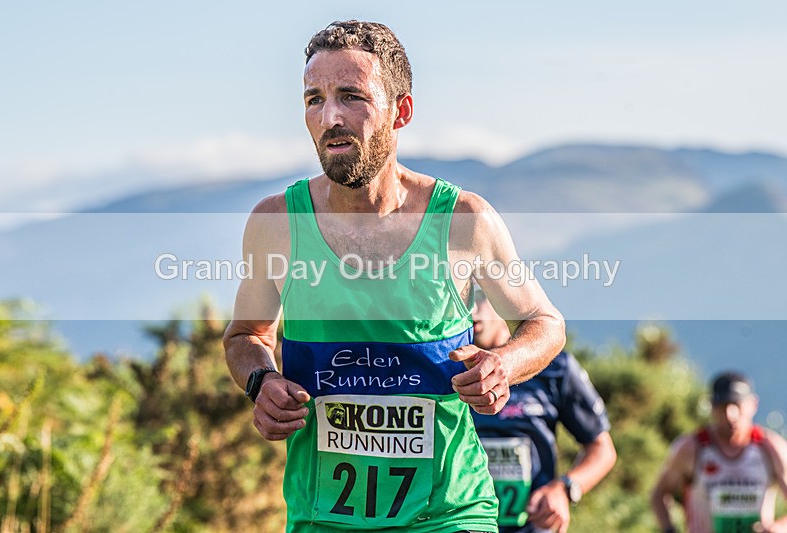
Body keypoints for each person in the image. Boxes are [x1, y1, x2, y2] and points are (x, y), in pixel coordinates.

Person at [223, 20, 565, 533]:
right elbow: (246, 336)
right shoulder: (278, 224)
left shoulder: (462, 220)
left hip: (449, 513)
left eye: (351, 96)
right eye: (313, 99)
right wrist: (261, 380)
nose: (330, 116)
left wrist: (504, 365)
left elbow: (544, 322)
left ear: (400, 111)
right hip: (323, 518)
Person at [469, 287, 616, 533]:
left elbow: (602, 450)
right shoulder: (439, 368)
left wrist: (565, 488)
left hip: (533, 527)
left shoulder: (554, 367)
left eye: (480, 297)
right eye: (462, 298)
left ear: (503, 300)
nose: (471, 309)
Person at [651, 372, 787, 533]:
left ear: (753, 404)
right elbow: (659, 493)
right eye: (722, 406)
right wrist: (669, 529)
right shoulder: (693, 448)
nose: (731, 415)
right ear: (712, 407)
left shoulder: (770, 448)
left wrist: (779, 527)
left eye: (737, 405)